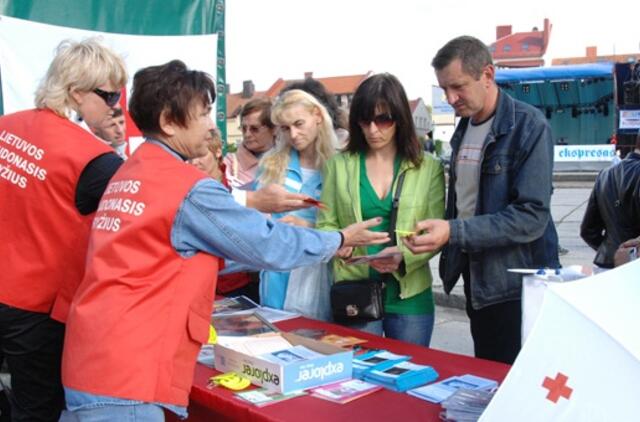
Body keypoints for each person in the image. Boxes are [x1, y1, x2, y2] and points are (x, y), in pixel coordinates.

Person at [61, 60, 388, 420]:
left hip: (94, 359)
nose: (210, 126)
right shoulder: (184, 186)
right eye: (202, 114)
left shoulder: (132, 172)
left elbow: (198, 253)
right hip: (128, 375)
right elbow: (266, 243)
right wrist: (337, 239)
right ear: (170, 121)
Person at [403, 36, 559, 364]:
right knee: (487, 377)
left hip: (517, 286)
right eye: (443, 89)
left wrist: (453, 232)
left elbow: (531, 216)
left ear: (487, 75)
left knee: (515, 386)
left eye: (457, 87)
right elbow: (464, 204)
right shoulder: (464, 128)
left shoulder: (528, 126)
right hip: (478, 281)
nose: (450, 98)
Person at [0, 38, 127, 421]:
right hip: (34, 308)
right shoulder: (96, 160)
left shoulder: (6, 126)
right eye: (108, 95)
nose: (115, 105)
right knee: (36, 408)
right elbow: (157, 210)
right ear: (75, 93)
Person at [317, 73, 445, 346]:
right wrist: (340, 241)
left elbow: (436, 232)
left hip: (410, 294)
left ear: (400, 118)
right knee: (359, 379)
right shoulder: (338, 166)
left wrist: (404, 256)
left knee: (410, 378)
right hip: (355, 290)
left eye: (383, 119)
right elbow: (325, 224)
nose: (373, 130)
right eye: (365, 120)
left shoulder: (428, 168)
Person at [255, 89, 337, 319]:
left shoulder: (339, 166)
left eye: (299, 123)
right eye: (285, 127)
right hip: (277, 276)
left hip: (319, 275)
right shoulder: (272, 163)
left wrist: (308, 226)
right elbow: (254, 213)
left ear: (317, 116)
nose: (294, 134)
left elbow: (347, 224)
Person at [190, 128, 260, 301]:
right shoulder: (185, 193)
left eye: (201, 155)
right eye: (190, 157)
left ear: (218, 151)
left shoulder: (240, 189)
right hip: (199, 287)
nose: (194, 162)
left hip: (237, 287)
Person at [580, 132, 640, 271]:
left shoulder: (605, 174)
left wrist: (612, 251)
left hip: (606, 265)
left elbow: (588, 230)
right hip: (634, 270)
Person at [280, 77, 349, 147]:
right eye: (285, 128)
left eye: (299, 123)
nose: (293, 135)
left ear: (318, 115)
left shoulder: (343, 149)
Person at [223, 97, 276, 187]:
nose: (247, 134)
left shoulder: (290, 159)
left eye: (254, 129)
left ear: (274, 129)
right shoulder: (230, 164)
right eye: (243, 129)